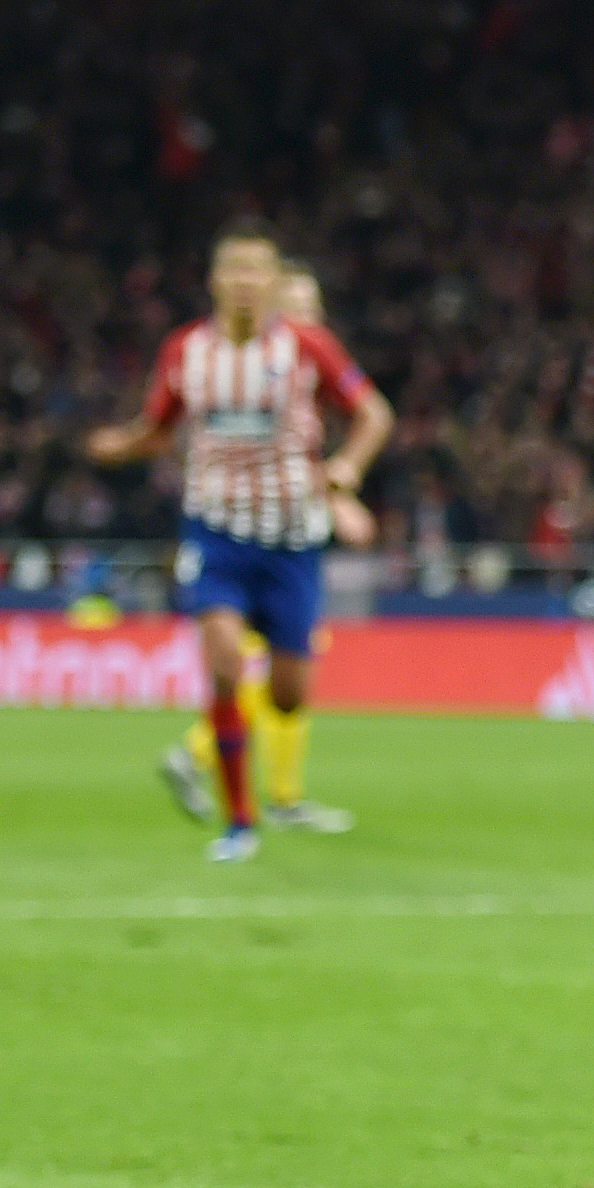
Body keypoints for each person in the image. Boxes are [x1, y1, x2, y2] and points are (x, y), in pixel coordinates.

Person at [89, 223, 392, 861]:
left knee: (289, 695)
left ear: (275, 282)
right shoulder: (185, 352)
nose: (245, 282)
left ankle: (255, 793)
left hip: (290, 539)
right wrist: (119, 445)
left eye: (258, 270)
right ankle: (241, 823)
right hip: (216, 532)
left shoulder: (309, 348)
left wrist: (348, 471)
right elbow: (160, 427)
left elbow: (374, 414)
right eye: (234, 270)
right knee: (224, 665)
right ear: (214, 281)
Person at [161, 257, 372, 836]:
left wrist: (339, 489)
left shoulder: (306, 375)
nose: (311, 323)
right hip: (238, 537)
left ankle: (272, 789)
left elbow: (305, 455)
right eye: (299, 308)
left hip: (293, 536)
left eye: (316, 311)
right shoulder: (246, 368)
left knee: (286, 680)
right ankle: (222, 767)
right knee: (244, 666)